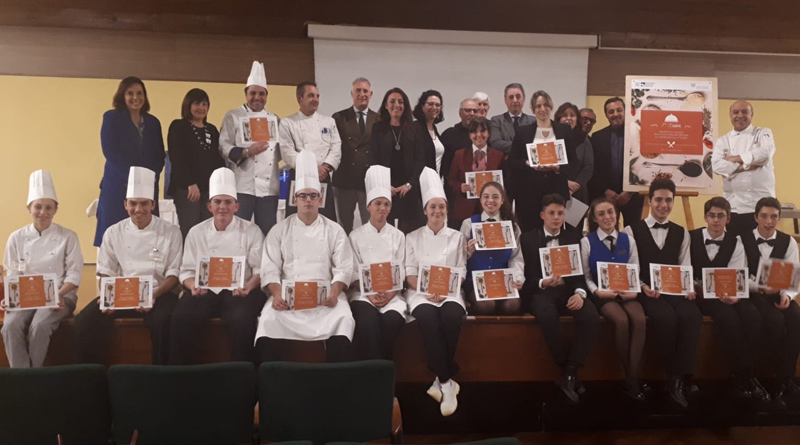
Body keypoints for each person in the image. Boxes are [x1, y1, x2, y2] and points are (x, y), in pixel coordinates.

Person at [75, 167, 182, 365]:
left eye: (144, 204)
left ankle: (162, 375)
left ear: (153, 205)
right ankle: (93, 375)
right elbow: (105, 271)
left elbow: (174, 275)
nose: (138, 209)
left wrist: (152, 295)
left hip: (159, 294)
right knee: (85, 320)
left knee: (164, 321)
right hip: (122, 294)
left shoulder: (171, 232)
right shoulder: (113, 232)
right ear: (125, 204)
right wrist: (110, 298)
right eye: (133, 203)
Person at [256, 150, 355, 363]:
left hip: (326, 300)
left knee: (344, 320)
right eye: (303, 196)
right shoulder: (279, 230)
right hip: (288, 300)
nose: (308, 200)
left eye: (313, 196)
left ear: (320, 199)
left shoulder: (335, 230)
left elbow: (344, 268)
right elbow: (270, 268)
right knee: (267, 322)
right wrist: (277, 294)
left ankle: (337, 379)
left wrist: (335, 292)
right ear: (295, 199)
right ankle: (273, 381)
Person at [169, 167, 267, 364]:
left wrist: (248, 286)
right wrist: (192, 286)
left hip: (241, 292)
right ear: (209, 206)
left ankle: (241, 374)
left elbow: (260, 270)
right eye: (218, 202)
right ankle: (183, 374)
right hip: (204, 291)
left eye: (228, 202)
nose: (223, 207)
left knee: (241, 319)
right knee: (182, 317)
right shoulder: (196, 232)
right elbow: (186, 271)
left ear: (236, 206)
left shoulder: (252, 231)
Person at [624, 178, 701, 408]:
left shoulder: (682, 233)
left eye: (668, 200)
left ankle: (682, 376)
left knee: (692, 315)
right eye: (658, 199)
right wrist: (642, 287)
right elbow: (630, 268)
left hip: (674, 291)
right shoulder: (630, 231)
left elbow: (685, 266)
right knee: (666, 317)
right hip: (646, 291)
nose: (663, 205)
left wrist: (688, 288)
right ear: (650, 200)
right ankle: (673, 378)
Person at [690, 196, 769, 402]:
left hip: (727, 294)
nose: (716, 220)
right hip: (700, 295)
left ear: (728, 219)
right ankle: (746, 377)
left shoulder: (736, 243)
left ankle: (746, 374)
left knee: (753, 317)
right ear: (705, 217)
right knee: (728, 318)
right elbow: (685, 269)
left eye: (721, 216)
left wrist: (735, 296)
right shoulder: (691, 237)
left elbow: (737, 273)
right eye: (712, 215)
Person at [522, 193, 599, 403]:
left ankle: (571, 371)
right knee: (547, 316)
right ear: (542, 215)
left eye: (560, 213)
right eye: (551, 213)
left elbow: (581, 276)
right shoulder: (527, 239)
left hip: (568, 291)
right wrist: (542, 282)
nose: (556, 217)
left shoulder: (574, 237)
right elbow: (525, 278)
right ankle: (568, 371)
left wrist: (580, 293)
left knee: (591, 316)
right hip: (541, 292)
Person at [2, 171, 83, 368]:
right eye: (38, 207)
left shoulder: (68, 236)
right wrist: (11, 298)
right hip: (26, 297)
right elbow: (13, 274)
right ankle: (22, 376)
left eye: (48, 207)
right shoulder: (16, 238)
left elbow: (73, 275)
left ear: (55, 209)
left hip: (61, 296)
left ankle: (34, 375)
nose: (43, 212)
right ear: (29, 208)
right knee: (9, 326)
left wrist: (56, 295)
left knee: (39, 325)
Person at [405, 167, 467, 416]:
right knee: (428, 318)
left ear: (447, 210)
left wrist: (446, 290)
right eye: (433, 207)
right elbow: (410, 274)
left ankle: (440, 380)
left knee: (452, 316)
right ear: (425, 210)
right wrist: (427, 289)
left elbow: (461, 270)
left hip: (450, 292)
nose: (437, 211)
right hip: (421, 293)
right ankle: (447, 381)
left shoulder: (457, 237)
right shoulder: (412, 237)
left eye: (441, 207)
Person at [580, 197, 647, 400]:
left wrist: (634, 291)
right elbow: (586, 277)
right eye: (601, 214)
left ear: (616, 214)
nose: (607, 217)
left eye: (610, 212)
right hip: (603, 295)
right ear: (594, 218)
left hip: (627, 293)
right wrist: (597, 292)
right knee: (621, 320)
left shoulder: (629, 240)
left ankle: (632, 376)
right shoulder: (587, 241)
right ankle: (632, 380)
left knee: (639, 319)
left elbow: (635, 270)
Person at [740, 197, 800, 408]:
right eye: (764, 216)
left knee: (796, 317)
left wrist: (787, 295)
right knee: (774, 320)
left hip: (778, 293)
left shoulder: (788, 242)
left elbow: (794, 274)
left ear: (779, 218)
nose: (768, 222)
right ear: (755, 217)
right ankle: (764, 375)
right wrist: (760, 287)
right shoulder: (741, 240)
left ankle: (785, 379)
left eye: (774, 217)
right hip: (753, 294)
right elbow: (739, 275)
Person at [95, 76, 165, 246]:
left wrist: (148, 178)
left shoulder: (153, 122)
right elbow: (110, 152)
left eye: (140, 93)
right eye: (130, 93)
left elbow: (159, 155)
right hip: (118, 185)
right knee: (114, 237)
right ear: (122, 95)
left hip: (147, 187)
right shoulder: (111, 118)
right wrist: (134, 177)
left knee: (146, 238)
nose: (135, 97)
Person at [347, 165, 407, 359]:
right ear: (368, 207)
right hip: (363, 295)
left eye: (386, 204)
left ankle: (380, 369)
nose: (382, 208)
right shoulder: (355, 235)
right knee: (367, 322)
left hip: (392, 295)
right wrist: (370, 294)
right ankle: (380, 370)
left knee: (392, 322)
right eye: (378, 203)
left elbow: (401, 268)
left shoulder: (398, 236)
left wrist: (389, 293)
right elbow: (353, 271)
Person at [218, 61, 282, 235]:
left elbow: (280, 151)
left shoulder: (274, 119)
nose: (257, 97)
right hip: (241, 185)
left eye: (261, 93)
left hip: (268, 188)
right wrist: (246, 152)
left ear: (266, 95)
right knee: (239, 231)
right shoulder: (233, 116)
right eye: (253, 93)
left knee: (268, 232)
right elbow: (223, 145)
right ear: (246, 94)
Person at [508, 90, 579, 232]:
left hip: (556, 189)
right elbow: (512, 161)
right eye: (538, 106)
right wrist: (528, 164)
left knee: (556, 230)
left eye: (546, 105)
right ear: (532, 109)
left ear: (551, 107)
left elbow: (574, 162)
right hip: (529, 192)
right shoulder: (523, 132)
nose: (542, 109)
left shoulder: (564, 130)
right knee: (530, 230)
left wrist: (558, 168)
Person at [711, 101, 777, 237]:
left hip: (761, 206)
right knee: (735, 245)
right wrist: (748, 164)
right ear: (730, 115)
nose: (740, 115)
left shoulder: (762, 133)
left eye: (744, 112)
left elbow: (765, 154)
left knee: (760, 246)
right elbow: (716, 166)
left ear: (752, 114)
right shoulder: (723, 140)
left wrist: (735, 158)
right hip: (734, 206)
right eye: (736, 112)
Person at [168, 88, 225, 238]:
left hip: (209, 190)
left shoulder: (211, 130)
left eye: (204, 104)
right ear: (188, 105)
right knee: (190, 231)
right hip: (187, 190)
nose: (201, 108)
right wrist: (190, 183)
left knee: (208, 232)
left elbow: (217, 159)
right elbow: (177, 157)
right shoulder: (178, 126)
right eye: (196, 103)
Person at [280, 81, 341, 221]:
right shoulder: (287, 123)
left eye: (317, 96)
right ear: (299, 98)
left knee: (325, 219)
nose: (315, 100)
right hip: (298, 177)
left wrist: (325, 167)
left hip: (323, 176)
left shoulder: (329, 122)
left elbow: (336, 147)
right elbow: (287, 152)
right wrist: (313, 168)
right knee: (297, 219)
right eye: (311, 96)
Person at [460, 182, 524, 315]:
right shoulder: (468, 224)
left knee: (513, 304)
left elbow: (516, 258)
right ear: (480, 200)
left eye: (495, 197)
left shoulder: (512, 227)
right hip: (476, 283)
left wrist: (518, 278)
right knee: (486, 304)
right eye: (486, 197)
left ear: (502, 200)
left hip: (503, 282)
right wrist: (469, 251)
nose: (490, 200)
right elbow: (459, 258)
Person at [370, 87, 426, 234]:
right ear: (386, 105)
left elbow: (420, 159)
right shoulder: (378, 128)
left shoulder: (415, 128)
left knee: (410, 232)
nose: (397, 105)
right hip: (386, 189)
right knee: (385, 232)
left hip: (408, 189)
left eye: (400, 102)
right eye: (392, 101)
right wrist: (384, 184)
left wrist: (409, 184)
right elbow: (373, 158)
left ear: (405, 105)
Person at [332, 77, 380, 234]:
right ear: (351, 94)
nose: (362, 94)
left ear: (371, 94)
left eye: (365, 91)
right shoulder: (338, 117)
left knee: (370, 226)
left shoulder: (379, 119)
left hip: (368, 182)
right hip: (344, 181)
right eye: (358, 90)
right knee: (343, 227)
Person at [588, 97, 643, 227]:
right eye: (611, 112)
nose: (615, 114)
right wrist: (606, 191)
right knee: (606, 232)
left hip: (633, 196)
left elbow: (643, 164)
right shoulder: (597, 137)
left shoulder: (639, 135)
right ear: (606, 115)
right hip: (605, 196)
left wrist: (630, 191)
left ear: (625, 111)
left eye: (619, 110)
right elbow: (594, 169)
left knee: (634, 232)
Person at [447, 119, 505, 229]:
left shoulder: (499, 156)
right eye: (474, 131)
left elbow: (505, 181)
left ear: (488, 133)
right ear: (470, 135)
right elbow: (451, 180)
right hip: (464, 207)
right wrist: (460, 187)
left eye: (482, 131)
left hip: (490, 208)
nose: (478, 135)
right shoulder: (459, 154)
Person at [555, 102, 594, 207]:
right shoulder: (552, 139)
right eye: (564, 115)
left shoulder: (584, 140)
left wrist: (575, 186)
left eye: (572, 115)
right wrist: (564, 182)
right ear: (558, 119)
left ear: (577, 120)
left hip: (578, 192)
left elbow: (588, 168)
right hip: (555, 189)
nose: (569, 118)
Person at [440, 98, 479, 183]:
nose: (472, 114)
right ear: (460, 113)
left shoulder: (485, 135)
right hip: (454, 185)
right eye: (468, 110)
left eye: (475, 111)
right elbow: (442, 165)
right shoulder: (449, 135)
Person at [488, 83, 534, 155]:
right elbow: (495, 143)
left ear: (524, 98)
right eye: (511, 97)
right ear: (505, 100)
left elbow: (536, 144)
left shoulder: (533, 121)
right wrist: (523, 146)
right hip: (504, 161)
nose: (515, 100)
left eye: (518, 97)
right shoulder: (497, 121)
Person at [412, 90, 445, 174]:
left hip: (436, 179)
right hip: (421, 179)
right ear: (422, 106)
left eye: (437, 105)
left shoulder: (435, 130)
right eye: (430, 104)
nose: (434, 107)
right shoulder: (414, 128)